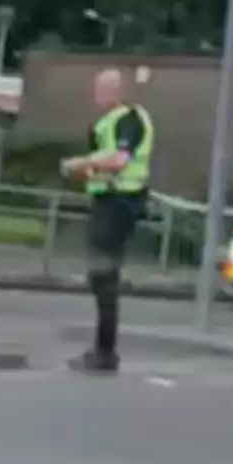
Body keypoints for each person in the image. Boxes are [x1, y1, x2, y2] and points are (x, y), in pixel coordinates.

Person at [60, 68, 155, 374]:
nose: (97, 94)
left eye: (103, 88)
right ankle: (103, 350)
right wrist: (86, 170)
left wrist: (81, 163)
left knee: (104, 276)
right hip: (109, 199)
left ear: (118, 91)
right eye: (97, 87)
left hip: (120, 201)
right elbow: (106, 161)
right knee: (101, 276)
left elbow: (119, 161)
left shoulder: (128, 118)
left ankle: (105, 353)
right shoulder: (110, 121)